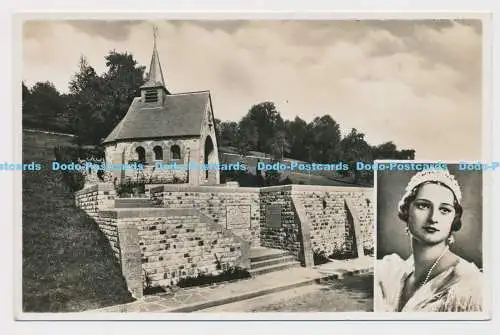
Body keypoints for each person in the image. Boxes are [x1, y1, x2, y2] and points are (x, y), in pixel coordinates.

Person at [375, 168, 483, 312]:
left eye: (444, 209)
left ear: (454, 219)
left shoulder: (470, 286)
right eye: (423, 205)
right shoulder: (390, 272)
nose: (433, 218)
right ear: (407, 211)